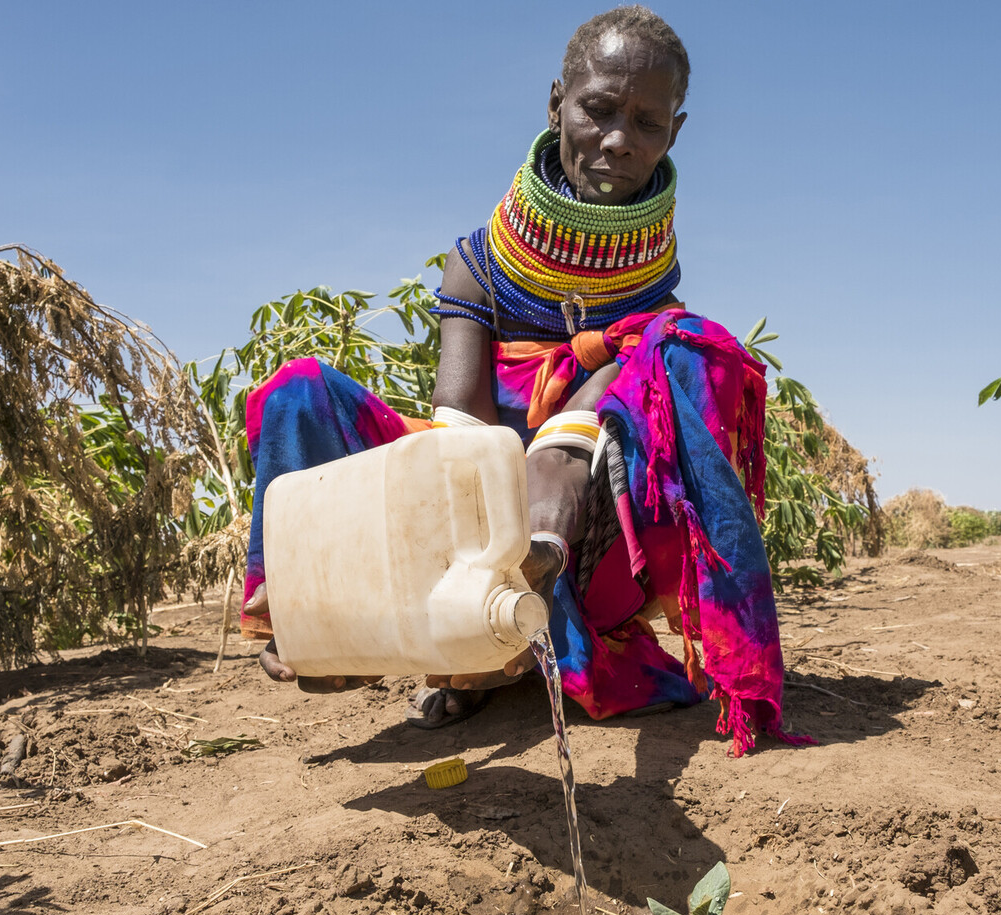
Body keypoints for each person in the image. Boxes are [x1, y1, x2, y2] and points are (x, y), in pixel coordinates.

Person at [241, 6, 809, 755]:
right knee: (299, 390)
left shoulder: (657, 313)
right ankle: (342, 623)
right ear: (556, 105)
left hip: (587, 543)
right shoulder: (479, 263)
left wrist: (562, 461)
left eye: (645, 122)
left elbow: (587, 444)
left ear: (674, 132)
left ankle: (544, 642)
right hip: (466, 518)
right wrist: (496, 539)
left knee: (690, 352)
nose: (617, 139)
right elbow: (459, 438)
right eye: (598, 110)